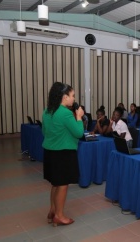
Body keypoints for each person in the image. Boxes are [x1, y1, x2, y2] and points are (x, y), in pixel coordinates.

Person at [42, 82, 84, 227]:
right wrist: (78, 117)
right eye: (72, 96)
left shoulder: (47, 111)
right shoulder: (66, 113)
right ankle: (59, 216)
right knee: (63, 185)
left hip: (50, 152)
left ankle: (52, 210)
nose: (73, 99)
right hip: (63, 154)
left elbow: (44, 132)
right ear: (64, 97)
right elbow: (79, 133)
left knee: (55, 183)